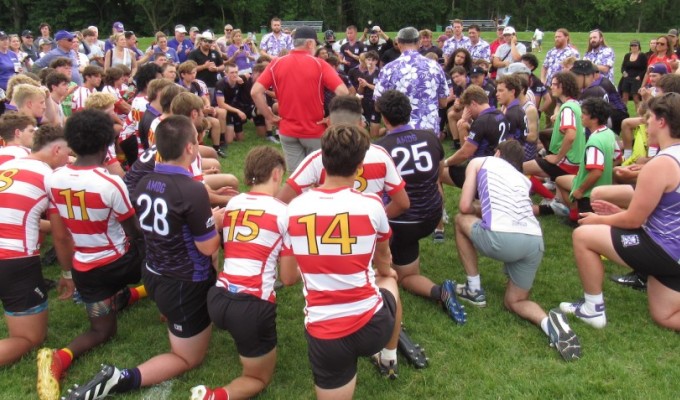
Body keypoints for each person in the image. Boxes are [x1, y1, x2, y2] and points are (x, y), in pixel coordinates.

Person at [64, 115, 223, 400]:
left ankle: (172, 316)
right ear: (190, 147)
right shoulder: (192, 189)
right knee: (188, 358)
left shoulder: (143, 180)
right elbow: (209, 248)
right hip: (184, 281)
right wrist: (217, 221)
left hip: (152, 270)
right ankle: (119, 378)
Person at [283, 124, 402, 395]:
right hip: (373, 326)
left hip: (324, 333)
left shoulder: (293, 209)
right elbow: (384, 260)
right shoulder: (372, 205)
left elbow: (288, 277)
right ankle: (389, 355)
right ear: (359, 166)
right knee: (389, 279)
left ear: (322, 160)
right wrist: (385, 271)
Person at [37, 109, 146, 400]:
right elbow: (134, 233)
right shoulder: (111, 183)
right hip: (120, 264)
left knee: (101, 331)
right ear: (106, 144)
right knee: (156, 254)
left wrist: (67, 272)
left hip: (85, 268)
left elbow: (60, 234)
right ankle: (158, 294)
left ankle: (60, 357)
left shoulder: (54, 178)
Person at [558, 92, 680, 332]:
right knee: (664, 316)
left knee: (584, 235)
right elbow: (665, 207)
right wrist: (620, 213)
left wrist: (601, 219)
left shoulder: (661, 164)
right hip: (674, 251)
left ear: (662, 121)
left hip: (665, 250)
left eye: (649, 118)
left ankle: (593, 309)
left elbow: (634, 219)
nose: (645, 122)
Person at [454, 139, 580, 361]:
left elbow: (465, 206)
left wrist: (476, 208)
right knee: (515, 301)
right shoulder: (523, 180)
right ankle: (549, 324)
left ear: (498, 153)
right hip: (534, 241)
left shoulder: (480, 162)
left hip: (503, 240)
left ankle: (473, 289)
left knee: (460, 219)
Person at [189, 146, 296, 400]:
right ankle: (212, 397)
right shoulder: (284, 212)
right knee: (258, 377)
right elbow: (289, 278)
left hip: (217, 298)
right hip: (250, 307)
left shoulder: (234, 203)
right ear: (276, 173)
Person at [375, 90, 466, 324]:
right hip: (433, 214)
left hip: (403, 221)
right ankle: (439, 291)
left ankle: (435, 292)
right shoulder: (430, 137)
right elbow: (436, 175)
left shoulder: (380, 148)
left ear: (384, 117)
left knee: (404, 277)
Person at [0, 125, 71, 368]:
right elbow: (60, 236)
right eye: (67, 153)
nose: (68, 159)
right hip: (12, 259)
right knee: (30, 338)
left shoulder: (7, 165)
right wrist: (68, 273)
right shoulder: (52, 178)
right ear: (57, 150)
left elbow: (17, 211)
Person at [251, 26, 347, 172]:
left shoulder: (276, 63)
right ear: (309, 43)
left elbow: (255, 92)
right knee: (318, 176)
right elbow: (343, 92)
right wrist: (331, 118)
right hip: (314, 129)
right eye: (315, 44)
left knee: (296, 178)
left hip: (287, 130)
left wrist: (270, 117)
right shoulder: (320, 64)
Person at [523, 71, 585, 211]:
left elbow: (570, 135)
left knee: (520, 168)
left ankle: (550, 199)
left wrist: (557, 157)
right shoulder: (575, 104)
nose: (551, 87)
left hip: (566, 162)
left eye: (554, 84)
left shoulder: (567, 108)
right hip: (576, 160)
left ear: (562, 86)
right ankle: (556, 200)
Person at [554, 97, 620, 222]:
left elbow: (596, 172)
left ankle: (576, 216)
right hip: (603, 187)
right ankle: (573, 215)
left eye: (584, 114)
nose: (581, 116)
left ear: (594, 119)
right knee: (559, 181)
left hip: (589, 192)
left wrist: (580, 190)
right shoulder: (609, 133)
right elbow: (617, 157)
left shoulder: (595, 141)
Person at [374, 27, 449, 133]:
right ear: (419, 43)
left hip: (399, 132)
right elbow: (443, 103)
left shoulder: (388, 69)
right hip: (429, 131)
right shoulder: (435, 66)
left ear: (399, 43)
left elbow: (378, 105)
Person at [188, 31, 225, 96]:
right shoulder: (193, 54)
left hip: (214, 84)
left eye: (210, 42)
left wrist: (216, 69)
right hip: (199, 86)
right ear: (201, 41)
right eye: (205, 41)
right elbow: (189, 69)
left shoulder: (215, 53)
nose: (207, 43)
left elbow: (223, 66)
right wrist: (204, 66)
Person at [619, 40, 647, 111]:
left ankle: (639, 115)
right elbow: (623, 66)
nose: (633, 47)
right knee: (624, 97)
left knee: (636, 98)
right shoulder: (627, 55)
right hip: (627, 78)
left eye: (635, 45)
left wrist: (640, 76)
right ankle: (623, 112)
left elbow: (645, 68)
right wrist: (624, 72)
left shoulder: (642, 56)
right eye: (632, 45)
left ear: (639, 46)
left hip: (636, 79)